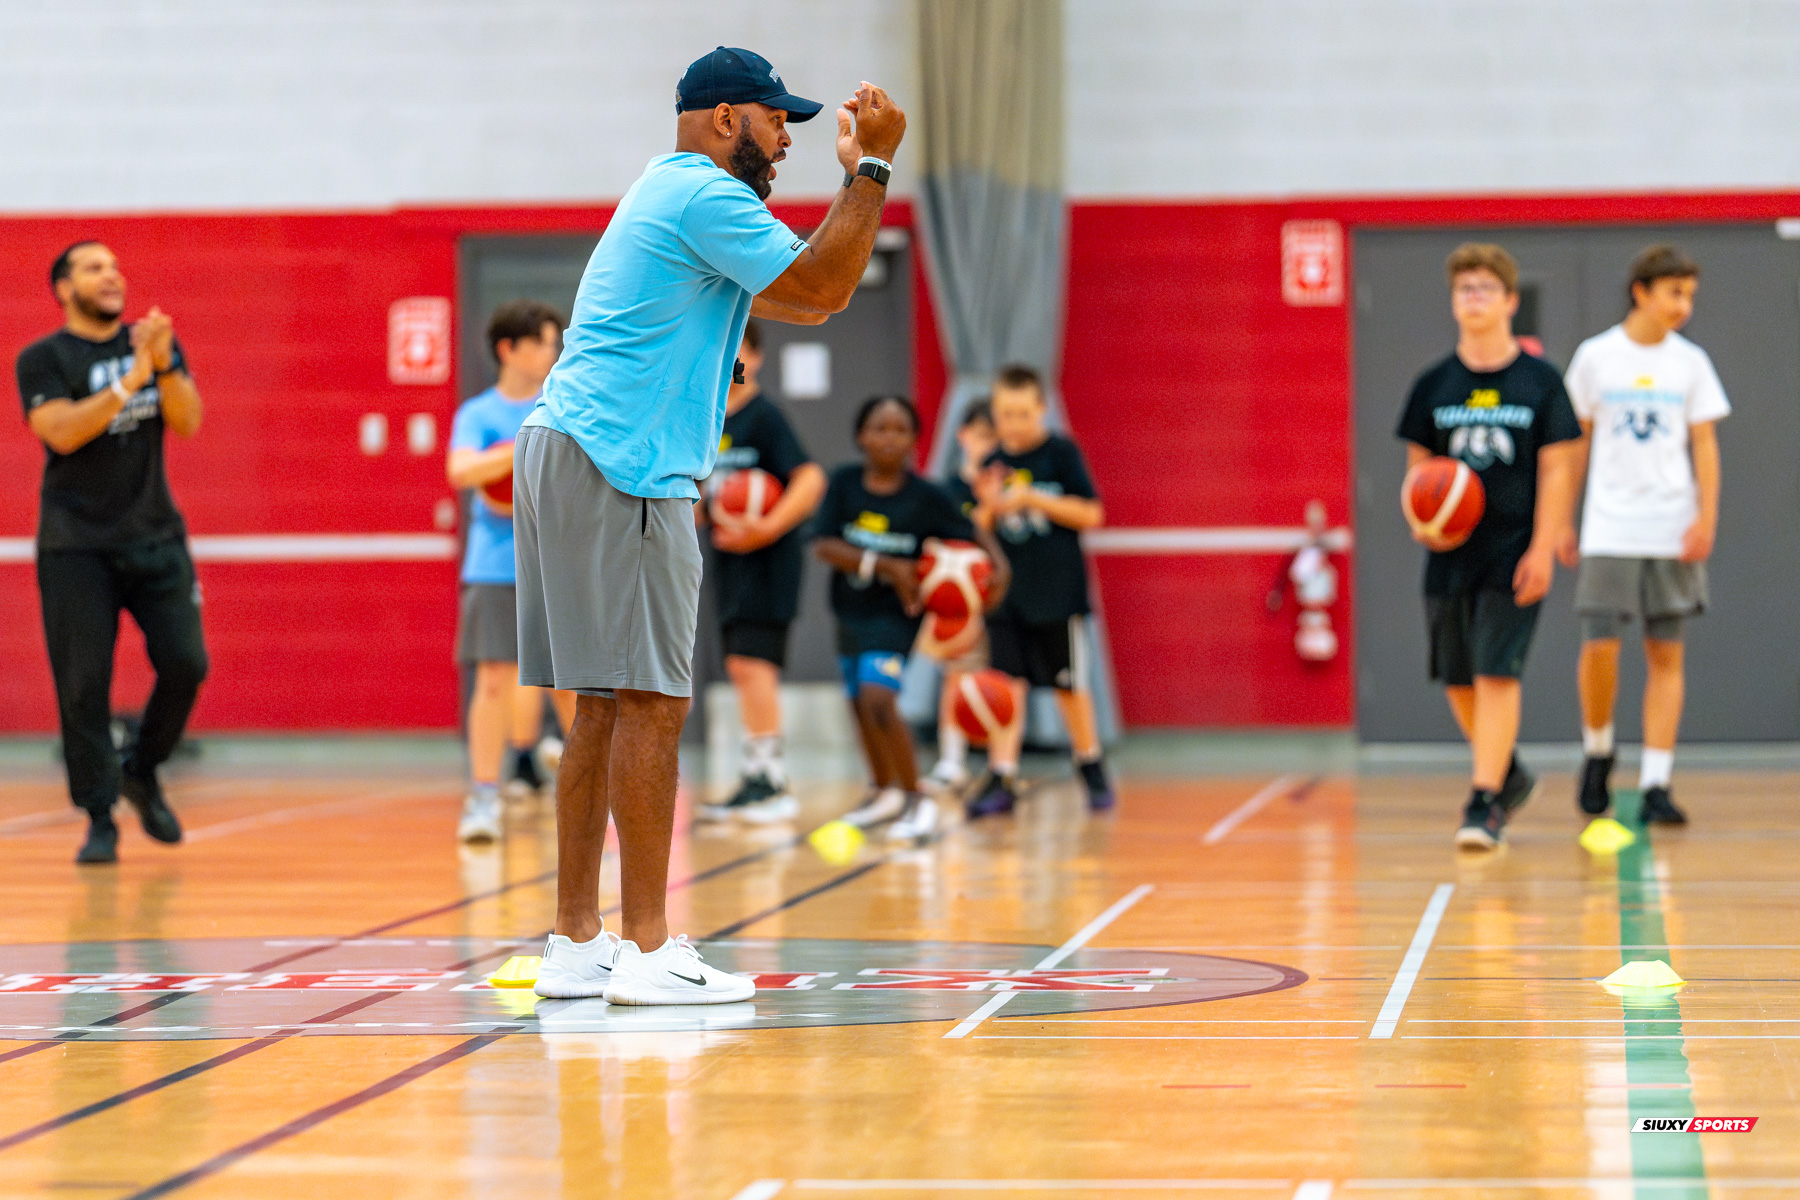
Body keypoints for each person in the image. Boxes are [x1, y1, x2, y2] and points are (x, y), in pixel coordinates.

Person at [516, 48, 905, 1005]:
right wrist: (873, 171)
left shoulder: (663, 188)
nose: (785, 142)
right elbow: (819, 292)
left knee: (602, 705)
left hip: (562, 447)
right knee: (653, 702)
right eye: (779, 122)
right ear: (726, 117)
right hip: (623, 464)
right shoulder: (705, 195)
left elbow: (766, 297)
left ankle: (576, 943)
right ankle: (648, 955)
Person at [15, 242, 208, 865]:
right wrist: (132, 376)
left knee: (187, 663)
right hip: (76, 547)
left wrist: (166, 367)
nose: (112, 275)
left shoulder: (153, 343)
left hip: (155, 535)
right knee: (83, 688)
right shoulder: (43, 359)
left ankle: (142, 768)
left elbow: (189, 422)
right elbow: (62, 431)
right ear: (63, 288)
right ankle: (99, 816)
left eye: (116, 266)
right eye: (94, 268)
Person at [1395, 243, 1582, 851]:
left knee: (1496, 671)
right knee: (1457, 680)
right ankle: (1511, 772)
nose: (1472, 299)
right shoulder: (1433, 384)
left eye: (1483, 288)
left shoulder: (1540, 381)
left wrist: (1545, 546)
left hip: (1513, 549)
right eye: (1463, 290)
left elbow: (1558, 469)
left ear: (1509, 300)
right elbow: (1419, 473)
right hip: (1449, 554)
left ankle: (1483, 801)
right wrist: (1423, 519)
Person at [1563, 245, 1728, 826]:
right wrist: (1561, 517)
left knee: (1666, 652)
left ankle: (1658, 779)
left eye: (1689, 295)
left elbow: (1704, 444)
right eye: (1674, 293)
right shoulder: (1595, 357)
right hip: (1610, 525)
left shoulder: (1691, 363)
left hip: (1671, 525)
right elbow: (1573, 444)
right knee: (1600, 645)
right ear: (1642, 291)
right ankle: (1598, 750)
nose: (1683, 306)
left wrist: (1705, 517)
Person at [813, 396, 1010, 840]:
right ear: (861, 436)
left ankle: (917, 798)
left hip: (896, 617)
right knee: (858, 705)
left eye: (900, 429)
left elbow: (971, 530)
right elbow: (823, 545)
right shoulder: (844, 483)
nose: (889, 437)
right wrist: (885, 565)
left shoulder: (926, 498)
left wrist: (1000, 565)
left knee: (878, 698)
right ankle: (883, 791)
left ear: (915, 441)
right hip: (848, 610)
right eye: (879, 428)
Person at [446, 300, 579, 843]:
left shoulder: (565, 406)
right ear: (510, 349)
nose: (553, 352)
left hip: (558, 564)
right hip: (495, 566)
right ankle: (483, 798)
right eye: (545, 342)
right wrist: (517, 453)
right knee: (494, 681)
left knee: (572, 688)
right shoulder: (478, 414)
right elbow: (461, 470)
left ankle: (596, 798)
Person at [965, 365, 1112, 817]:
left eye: (1023, 413)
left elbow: (1091, 514)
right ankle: (1003, 774)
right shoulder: (990, 466)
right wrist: (988, 509)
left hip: (1057, 596)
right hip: (1007, 598)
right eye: (1006, 414)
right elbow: (978, 533)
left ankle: (1090, 764)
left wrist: (1033, 498)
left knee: (1070, 688)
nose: (1014, 423)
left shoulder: (1061, 454)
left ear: (1042, 410)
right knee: (1007, 689)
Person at [696, 318, 827, 823]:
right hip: (728, 560)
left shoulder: (765, 416)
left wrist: (767, 528)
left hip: (769, 560)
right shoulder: (707, 420)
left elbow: (810, 479)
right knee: (739, 666)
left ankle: (771, 779)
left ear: (757, 358)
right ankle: (759, 772)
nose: (730, 362)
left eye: (739, 352)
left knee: (754, 665)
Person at [925, 399, 997, 791]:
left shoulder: (1012, 486)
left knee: (1004, 682)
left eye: (994, 438)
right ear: (962, 436)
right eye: (981, 436)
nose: (987, 445)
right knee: (957, 677)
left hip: (1004, 600)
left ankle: (1002, 764)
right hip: (963, 604)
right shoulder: (948, 490)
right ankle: (951, 759)